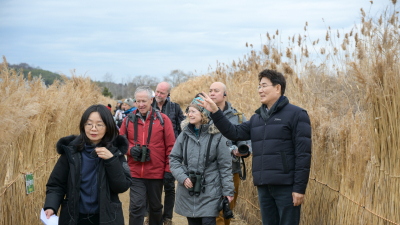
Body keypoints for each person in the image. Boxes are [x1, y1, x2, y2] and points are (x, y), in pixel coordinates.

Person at [198, 69, 312, 225]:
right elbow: (234, 132)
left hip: (286, 187)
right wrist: (216, 112)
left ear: (277, 88)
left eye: (264, 86)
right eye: (259, 86)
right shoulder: (257, 118)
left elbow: (303, 155)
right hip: (264, 186)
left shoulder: (297, 114)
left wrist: (299, 188)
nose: (260, 90)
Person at [43, 104, 132, 225]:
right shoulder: (71, 151)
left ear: (108, 127)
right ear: (83, 125)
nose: (93, 128)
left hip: (106, 217)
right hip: (74, 217)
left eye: (99, 125)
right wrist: (51, 206)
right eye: (89, 124)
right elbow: (56, 184)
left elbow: (122, 186)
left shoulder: (114, 151)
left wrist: (111, 161)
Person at [169, 95, 234, 225]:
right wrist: (183, 177)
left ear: (203, 113)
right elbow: (174, 159)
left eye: (193, 111)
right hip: (188, 191)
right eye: (189, 111)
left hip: (210, 192)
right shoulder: (184, 134)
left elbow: (225, 166)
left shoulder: (218, 135)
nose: (189, 114)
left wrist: (228, 191)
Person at [119, 86, 176, 225]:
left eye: (144, 101)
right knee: (136, 207)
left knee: (156, 208)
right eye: (138, 101)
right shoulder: (128, 120)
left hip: (156, 172)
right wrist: (130, 150)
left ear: (151, 100)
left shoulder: (163, 120)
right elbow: (119, 143)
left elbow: (171, 147)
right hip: (135, 173)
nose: (141, 104)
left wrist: (169, 170)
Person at [207, 82, 252, 225]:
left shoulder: (237, 116)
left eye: (216, 90)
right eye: (210, 91)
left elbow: (246, 140)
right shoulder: (203, 114)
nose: (212, 93)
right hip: (209, 170)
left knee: (228, 209)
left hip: (232, 169)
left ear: (225, 94)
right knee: (215, 212)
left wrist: (243, 150)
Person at [152, 81, 185, 225]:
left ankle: (168, 218)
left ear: (168, 94)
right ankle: (152, 215)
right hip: (153, 152)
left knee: (170, 186)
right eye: (157, 92)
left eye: (162, 93)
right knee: (152, 186)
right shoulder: (148, 105)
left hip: (172, 152)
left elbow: (183, 127)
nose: (158, 95)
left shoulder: (175, 108)